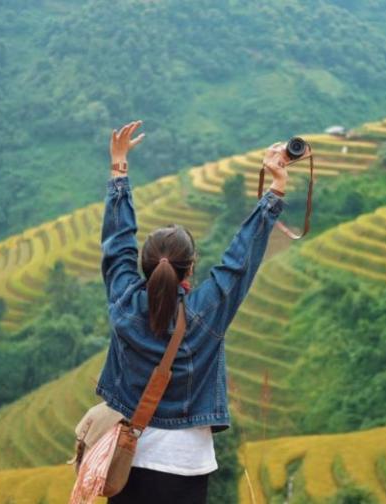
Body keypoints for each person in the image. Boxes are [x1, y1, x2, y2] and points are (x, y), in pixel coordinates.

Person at [97, 120, 306, 503]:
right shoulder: (205, 311)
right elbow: (239, 262)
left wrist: (119, 168)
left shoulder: (124, 300)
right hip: (186, 465)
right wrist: (275, 188)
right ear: (190, 269)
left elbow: (116, 243)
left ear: (142, 266)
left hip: (127, 457)